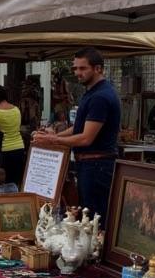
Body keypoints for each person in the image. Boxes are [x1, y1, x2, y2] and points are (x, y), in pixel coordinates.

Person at [32, 46, 121, 219]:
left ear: (98, 68)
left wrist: (52, 140)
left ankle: (96, 246)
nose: (77, 73)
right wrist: (55, 136)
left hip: (97, 165)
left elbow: (86, 138)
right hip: (89, 165)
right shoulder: (92, 93)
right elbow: (78, 128)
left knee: (94, 218)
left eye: (82, 68)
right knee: (86, 215)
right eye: (75, 68)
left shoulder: (100, 97)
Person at [0, 85, 25, 186]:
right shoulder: (16, 110)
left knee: (7, 182)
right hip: (19, 148)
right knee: (17, 180)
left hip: (5, 151)